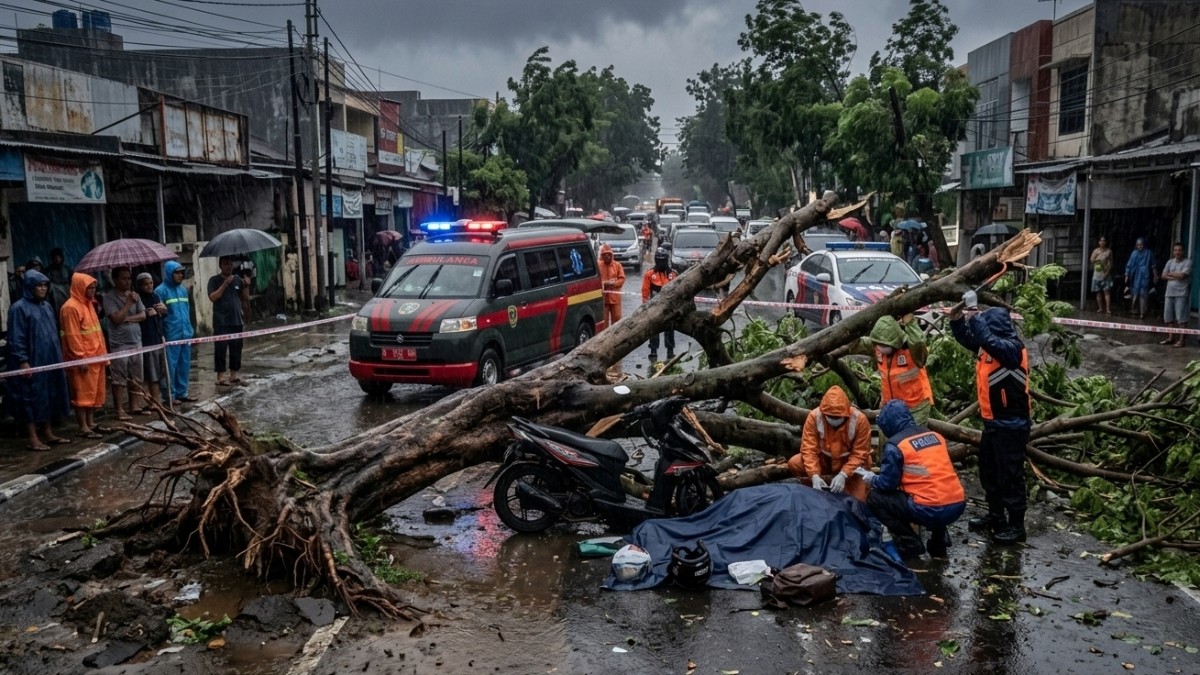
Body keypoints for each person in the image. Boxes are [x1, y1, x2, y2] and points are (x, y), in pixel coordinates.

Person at [949, 293, 1031, 545]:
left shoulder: (1011, 349)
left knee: (1011, 476)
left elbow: (985, 337)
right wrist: (956, 318)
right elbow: (969, 337)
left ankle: (1017, 525)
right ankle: (996, 516)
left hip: (1012, 425)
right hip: (993, 423)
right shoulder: (989, 347)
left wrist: (974, 311)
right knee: (990, 473)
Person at [857, 400, 966, 560]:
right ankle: (938, 545)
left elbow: (887, 485)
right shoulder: (935, 436)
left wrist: (872, 479)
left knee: (874, 498)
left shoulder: (895, 445)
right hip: (957, 503)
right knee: (934, 492)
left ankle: (909, 542)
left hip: (929, 509)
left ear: (888, 424)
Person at [5, 270, 72, 450]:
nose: (43, 289)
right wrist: (23, 361)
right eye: (39, 285)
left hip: (49, 359)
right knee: (30, 399)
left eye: (45, 285)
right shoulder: (18, 308)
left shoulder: (46, 306)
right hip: (31, 361)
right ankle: (33, 437)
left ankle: (48, 432)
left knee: (49, 395)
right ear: (29, 287)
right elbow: (16, 338)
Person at [787, 385, 872, 502]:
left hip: (851, 467)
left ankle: (843, 486)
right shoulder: (814, 417)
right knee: (795, 463)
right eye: (830, 416)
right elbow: (808, 449)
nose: (833, 418)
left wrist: (844, 474)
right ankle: (814, 489)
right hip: (825, 462)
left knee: (858, 502)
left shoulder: (859, 420)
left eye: (837, 417)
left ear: (846, 413)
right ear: (823, 412)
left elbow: (860, 453)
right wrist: (814, 475)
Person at [850, 315, 934, 425]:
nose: (881, 347)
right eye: (879, 344)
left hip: (915, 406)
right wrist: (859, 325)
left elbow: (918, 342)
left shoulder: (911, 349)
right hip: (889, 405)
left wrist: (910, 322)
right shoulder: (876, 345)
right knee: (888, 438)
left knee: (910, 439)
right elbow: (854, 344)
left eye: (885, 345)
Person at [60, 273, 108, 438]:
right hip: (83, 358)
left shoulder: (88, 304)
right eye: (90, 288)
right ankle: (83, 427)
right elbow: (73, 336)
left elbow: (96, 331)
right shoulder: (70, 307)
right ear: (80, 287)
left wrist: (103, 355)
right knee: (82, 394)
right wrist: (81, 358)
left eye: (94, 287)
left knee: (93, 392)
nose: (93, 291)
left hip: (95, 356)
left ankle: (91, 422)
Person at [101, 267, 147, 420]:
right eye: (123, 278)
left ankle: (135, 405)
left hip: (136, 340)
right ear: (115, 280)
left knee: (137, 375)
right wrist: (128, 304)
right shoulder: (109, 297)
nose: (127, 281)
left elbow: (143, 315)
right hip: (119, 343)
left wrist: (129, 318)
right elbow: (116, 318)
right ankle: (119, 410)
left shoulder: (135, 295)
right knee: (119, 378)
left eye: (129, 278)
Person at [156, 260, 197, 405]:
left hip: (185, 333)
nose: (180, 276)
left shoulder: (183, 290)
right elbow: (158, 314)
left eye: (181, 273)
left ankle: (182, 393)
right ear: (169, 273)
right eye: (177, 273)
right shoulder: (160, 291)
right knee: (170, 367)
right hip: (171, 334)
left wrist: (191, 329)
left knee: (184, 365)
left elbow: (188, 310)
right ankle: (170, 395)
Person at [207, 256, 250, 387]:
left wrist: (246, 286)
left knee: (236, 347)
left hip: (236, 319)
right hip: (221, 321)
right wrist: (225, 284)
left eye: (231, 264)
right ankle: (220, 376)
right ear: (220, 265)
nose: (229, 266)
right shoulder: (214, 280)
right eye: (226, 264)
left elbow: (245, 298)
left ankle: (234, 374)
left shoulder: (238, 280)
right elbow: (213, 297)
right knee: (220, 348)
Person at [136, 272, 168, 409]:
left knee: (161, 371)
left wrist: (164, 310)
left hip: (158, 335)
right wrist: (147, 314)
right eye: (145, 284)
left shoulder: (156, 296)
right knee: (152, 372)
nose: (149, 286)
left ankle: (158, 398)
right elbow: (139, 316)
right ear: (140, 286)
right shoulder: (138, 298)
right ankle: (154, 401)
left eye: (150, 283)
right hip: (146, 338)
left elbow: (163, 315)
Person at [641, 248, 677, 362]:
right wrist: (645, 308)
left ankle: (670, 352)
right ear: (656, 260)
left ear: (667, 260)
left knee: (670, 330)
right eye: (659, 260)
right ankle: (653, 352)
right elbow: (645, 292)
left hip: (669, 307)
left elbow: (677, 291)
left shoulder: (673, 274)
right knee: (654, 331)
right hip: (654, 308)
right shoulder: (649, 274)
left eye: (663, 260)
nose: (661, 262)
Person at [1159, 242, 1191, 348]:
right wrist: (1175, 275)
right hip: (1169, 293)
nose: (1177, 252)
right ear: (1173, 252)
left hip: (1181, 294)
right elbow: (1163, 276)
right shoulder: (1170, 262)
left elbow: (1182, 275)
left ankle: (1182, 340)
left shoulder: (1188, 262)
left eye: (1179, 250)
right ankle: (1170, 337)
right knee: (1168, 317)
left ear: (1183, 251)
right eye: (1175, 250)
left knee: (1181, 318)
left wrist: (1170, 274)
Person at [1124, 237, 1157, 320]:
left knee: (1143, 294)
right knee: (1134, 293)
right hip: (1135, 275)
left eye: (1141, 244)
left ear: (1144, 245)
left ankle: (1143, 312)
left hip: (1145, 275)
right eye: (1138, 245)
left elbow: (1153, 265)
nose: (1139, 246)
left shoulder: (1148, 253)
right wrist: (1127, 275)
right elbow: (1129, 265)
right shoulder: (1134, 253)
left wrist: (1155, 275)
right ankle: (1134, 310)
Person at [598, 243, 625, 329]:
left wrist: (613, 283)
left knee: (617, 322)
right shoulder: (599, 265)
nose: (607, 256)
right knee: (603, 323)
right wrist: (604, 283)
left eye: (608, 254)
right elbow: (596, 279)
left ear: (611, 255)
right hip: (603, 299)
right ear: (602, 256)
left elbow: (622, 279)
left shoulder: (617, 265)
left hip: (615, 298)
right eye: (604, 255)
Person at [1090, 236, 1114, 315]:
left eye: (1104, 241)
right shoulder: (1096, 251)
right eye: (1101, 241)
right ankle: (1100, 308)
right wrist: (1097, 257)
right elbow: (1091, 260)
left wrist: (1107, 273)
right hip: (1097, 273)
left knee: (1106, 292)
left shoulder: (1109, 251)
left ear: (1106, 242)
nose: (1102, 242)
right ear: (1099, 242)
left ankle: (1108, 309)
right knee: (1098, 292)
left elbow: (1111, 263)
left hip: (1105, 273)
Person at [44, 247, 73, 313]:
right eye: (55, 257)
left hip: (67, 293)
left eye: (59, 257)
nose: (57, 259)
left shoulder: (67, 270)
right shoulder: (47, 271)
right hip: (54, 296)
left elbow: (72, 282)